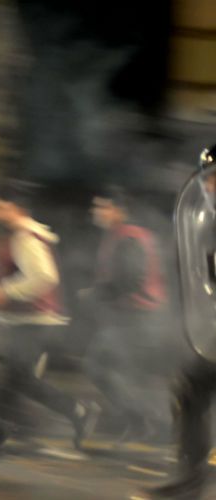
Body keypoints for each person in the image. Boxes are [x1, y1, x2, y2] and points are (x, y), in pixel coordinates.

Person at [0, 182, 99, 449]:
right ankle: (5, 427)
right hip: (29, 321)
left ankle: (78, 411)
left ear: (15, 208)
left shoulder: (25, 237)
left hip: (36, 321)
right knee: (15, 377)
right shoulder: (19, 234)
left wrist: (4, 291)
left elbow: (45, 276)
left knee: (20, 377)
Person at [144, 144, 216, 499]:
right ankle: (190, 482)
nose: (210, 187)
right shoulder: (210, 222)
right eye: (208, 180)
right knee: (190, 391)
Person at [82, 186, 167, 442]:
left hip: (137, 316)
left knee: (98, 366)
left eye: (102, 207)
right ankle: (146, 423)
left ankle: (148, 421)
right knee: (120, 371)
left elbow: (131, 278)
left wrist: (97, 293)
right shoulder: (122, 234)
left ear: (118, 210)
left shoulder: (128, 236)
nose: (96, 212)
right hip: (134, 315)